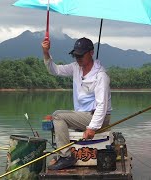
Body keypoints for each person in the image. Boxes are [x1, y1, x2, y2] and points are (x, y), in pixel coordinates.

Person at [41, 37, 112, 170]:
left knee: (58, 116)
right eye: (76, 55)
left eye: (81, 55)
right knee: (56, 115)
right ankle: (64, 151)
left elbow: (102, 105)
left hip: (98, 117)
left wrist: (92, 127)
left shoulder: (101, 75)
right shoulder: (76, 68)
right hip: (83, 115)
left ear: (91, 52)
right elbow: (54, 70)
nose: (78, 58)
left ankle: (66, 156)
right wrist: (46, 52)